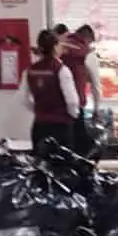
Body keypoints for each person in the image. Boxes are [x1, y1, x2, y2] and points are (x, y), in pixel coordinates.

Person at [20, 29, 81, 157]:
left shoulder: (30, 70)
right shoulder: (61, 70)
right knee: (62, 168)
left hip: (40, 126)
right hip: (60, 127)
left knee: (41, 167)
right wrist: (73, 115)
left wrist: (40, 110)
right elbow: (72, 101)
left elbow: (24, 100)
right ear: (54, 47)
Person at [60, 24, 102, 156]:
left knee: (62, 146)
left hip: (55, 107)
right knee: (82, 147)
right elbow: (96, 85)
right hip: (76, 105)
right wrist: (96, 109)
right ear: (88, 38)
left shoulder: (60, 47)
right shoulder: (87, 54)